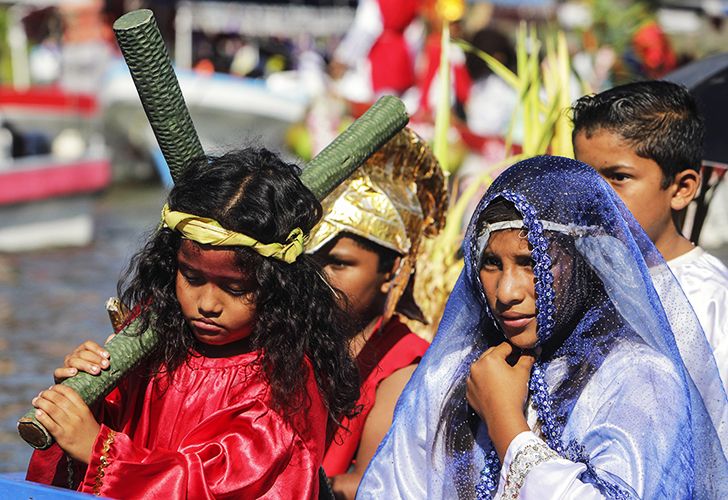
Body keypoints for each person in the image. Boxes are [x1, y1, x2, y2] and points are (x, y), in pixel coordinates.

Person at [358, 155, 727, 499]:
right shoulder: (451, 374)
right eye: (490, 264)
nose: (506, 291)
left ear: (581, 264)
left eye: (530, 262)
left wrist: (505, 423)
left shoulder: (637, 378)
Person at [25, 148, 361, 498]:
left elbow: (215, 484)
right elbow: (103, 442)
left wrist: (101, 451)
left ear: (277, 289)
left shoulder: (285, 383)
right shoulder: (155, 340)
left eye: (235, 288)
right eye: (192, 277)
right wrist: (83, 403)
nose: (207, 305)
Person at [306, 128, 447, 499]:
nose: (320, 278)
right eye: (312, 262)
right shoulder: (293, 334)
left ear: (393, 271)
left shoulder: (404, 369)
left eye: (339, 263)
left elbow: (370, 484)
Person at [572, 80, 728, 387]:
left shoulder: (710, 303)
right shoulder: (573, 274)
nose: (594, 194)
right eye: (583, 175)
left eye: (619, 177)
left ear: (682, 188)